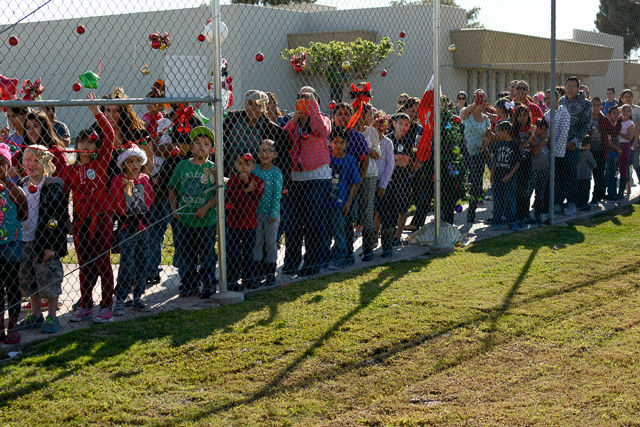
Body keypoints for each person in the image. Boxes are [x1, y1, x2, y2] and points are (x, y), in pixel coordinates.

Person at [64, 94, 115, 324]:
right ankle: (85, 303)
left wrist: (97, 112)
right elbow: (64, 197)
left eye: (90, 142)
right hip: (81, 222)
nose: (85, 145)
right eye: (81, 141)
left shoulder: (101, 163)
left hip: (101, 219)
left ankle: (107, 305)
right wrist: (68, 221)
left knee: (103, 262)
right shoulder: (70, 171)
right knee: (85, 264)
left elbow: (110, 136)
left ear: (96, 147)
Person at [16, 145, 68, 334]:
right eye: (28, 160)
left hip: (44, 243)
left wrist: (52, 246)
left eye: (36, 160)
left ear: (46, 163)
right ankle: (36, 315)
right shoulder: (20, 186)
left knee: (48, 279)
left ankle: (52, 317)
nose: (31, 164)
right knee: (27, 279)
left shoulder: (52, 187)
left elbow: (57, 219)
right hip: (24, 241)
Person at [282, 86, 331, 276]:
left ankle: (312, 263)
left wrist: (314, 107)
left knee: (313, 222)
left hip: (318, 176)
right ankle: (291, 262)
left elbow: (321, 131)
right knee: (293, 223)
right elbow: (282, 139)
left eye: (308, 97)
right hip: (296, 178)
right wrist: (294, 121)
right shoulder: (292, 121)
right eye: (300, 96)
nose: (304, 99)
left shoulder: (323, 118)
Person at [168, 126, 219, 299]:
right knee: (186, 255)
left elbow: (218, 193)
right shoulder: (182, 166)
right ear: (191, 147)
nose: (201, 147)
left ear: (211, 149)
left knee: (206, 254)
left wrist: (205, 207)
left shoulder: (213, 168)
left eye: (205, 144)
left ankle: (209, 284)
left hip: (206, 221)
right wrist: (174, 209)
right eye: (197, 143)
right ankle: (189, 284)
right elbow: (172, 189)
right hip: (185, 221)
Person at [110, 144, 154, 315]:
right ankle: (120, 298)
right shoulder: (118, 180)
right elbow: (116, 201)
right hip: (127, 226)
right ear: (123, 164)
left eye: (137, 161)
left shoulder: (144, 179)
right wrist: (126, 215)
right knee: (127, 263)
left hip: (143, 226)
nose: (134, 165)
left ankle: (138, 296)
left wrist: (144, 215)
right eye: (130, 161)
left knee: (142, 260)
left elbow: (149, 198)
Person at [331, 101, 369, 264]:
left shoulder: (357, 137)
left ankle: (347, 253)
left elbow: (365, 160)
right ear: (333, 117)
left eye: (347, 114)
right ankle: (333, 251)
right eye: (339, 114)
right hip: (331, 187)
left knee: (347, 221)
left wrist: (358, 180)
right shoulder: (330, 135)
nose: (343, 117)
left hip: (350, 185)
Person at [0, 143, 27, 344]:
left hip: (12, 244)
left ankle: (13, 324)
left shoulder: (13, 189)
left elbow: (23, 210)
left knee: (12, 285)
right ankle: (0, 325)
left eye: (2, 163)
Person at [225, 153, 264, 290]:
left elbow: (258, 194)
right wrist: (246, 189)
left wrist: (247, 182)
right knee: (233, 253)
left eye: (248, 164)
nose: (244, 167)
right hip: (234, 223)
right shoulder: (232, 181)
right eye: (241, 163)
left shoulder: (257, 180)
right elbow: (232, 198)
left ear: (253, 166)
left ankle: (248, 278)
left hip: (250, 223)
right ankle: (232, 281)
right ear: (235, 165)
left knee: (248, 252)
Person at [327, 127, 361, 268]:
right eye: (336, 142)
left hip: (340, 202)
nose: (338, 145)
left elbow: (355, 182)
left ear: (347, 144)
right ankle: (327, 256)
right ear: (330, 143)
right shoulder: (327, 157)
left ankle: (340, 257)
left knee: (340, 231)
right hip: (325, 201)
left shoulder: (349, 160)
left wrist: (349, 201)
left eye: (342, 143)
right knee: (326, 231)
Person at [558, 76, 592, 215]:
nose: (570, 89)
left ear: (578, 88)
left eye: (573, 86)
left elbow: (586, 125)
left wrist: (575, 141)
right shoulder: (561, 101)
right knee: (559, 174)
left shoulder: (586, 104)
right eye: (568, 86)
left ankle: (572, 202)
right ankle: (558, 202)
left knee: (572, 173)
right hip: (560, 143)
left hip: (574, 144)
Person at [380, 113, 412, 254]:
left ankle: (397, 236)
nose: (402, 127)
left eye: (406, 124)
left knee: (402, 209)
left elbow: (405, 162)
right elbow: (386, 161)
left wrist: (394, 159)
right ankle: (377, 235)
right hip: (388, 179)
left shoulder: (408, 140)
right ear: (394, 124)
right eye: (400, 123)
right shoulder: (388, 139)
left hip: (403, 179)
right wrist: (396, 159)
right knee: (384, 209)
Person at [252, 140, 282, 287]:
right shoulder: (255, 170)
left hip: (271, 214)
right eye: (261, 150)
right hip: (256, 214)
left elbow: (277, 194)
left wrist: (273, 213)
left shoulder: (276, 172)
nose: (264, 153)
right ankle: (257, 273)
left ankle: (270, 273)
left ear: (275, 154)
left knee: (270, 242)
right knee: (257, 242)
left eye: (268, 150)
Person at [459, 89, 491, 223]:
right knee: (467, 181)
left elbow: (488, 133)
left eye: (484, 101)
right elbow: (462, 114)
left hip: (479, 154)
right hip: (466, 153)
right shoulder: (467, 114)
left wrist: (485, 144)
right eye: (480, 101)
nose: (482, 104)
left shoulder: (486, 118)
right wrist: (474, 103)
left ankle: (471, 213)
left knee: (476, 183)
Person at [358, 105, 382, 262]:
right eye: (369, 114)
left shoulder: (372, 132)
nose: (372, 117)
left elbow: (377, 154)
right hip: (352, 173)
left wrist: (363, 148)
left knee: (368, 210)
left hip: (369, 174)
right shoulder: (350, 129)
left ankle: (367, 247)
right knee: (356, 211)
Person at [491, 121, 521, 230]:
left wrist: (509, 176)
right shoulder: (498, 143)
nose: (497, 134)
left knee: (510, 200)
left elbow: (517, 163)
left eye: (498, 131)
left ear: (505, 132)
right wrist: (492, 174)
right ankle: (496, 221)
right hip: (498, 176)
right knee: (497, 201)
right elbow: (494, 160)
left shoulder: (513, 145)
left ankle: (512, 222)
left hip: (509, 178)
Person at [544, 87, 570, 215]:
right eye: (546, 99)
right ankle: (549, 203)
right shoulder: (547, 114)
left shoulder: (563, 111)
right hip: (548, 153)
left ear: (557, 98)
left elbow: (563, 133)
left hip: (558, 153)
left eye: (550, 98)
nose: (548, 101)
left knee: (559, 179)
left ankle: (558, 203)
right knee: (550, 180)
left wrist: (553, 150)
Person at [22, 111, 67, 177]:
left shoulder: (55, 151)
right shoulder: (23, 151)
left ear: (44, 128)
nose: (31, 131)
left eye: (35, 126)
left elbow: (64, 177)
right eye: (27, 128)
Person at [373, 111, 395, 247]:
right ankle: (371, 239)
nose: (379, 128)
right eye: (377, 124)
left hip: (382, 182)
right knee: (370, 213)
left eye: (382, 124)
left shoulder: (387, 143)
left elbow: (390, 164)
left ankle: (387, 244)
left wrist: (383, 184)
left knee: (384, 213)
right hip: (370, 181)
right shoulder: (368, 141)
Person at [512, 104, 533, 224]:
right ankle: (519, 214)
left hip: (528, 160)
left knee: (526, 188)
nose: (522, 118)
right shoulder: (514, 130)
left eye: (525, 115)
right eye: (519, 115)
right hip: (518, 161)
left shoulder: (530, 129)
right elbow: (519, 147)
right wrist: (528, 139)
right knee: (518, 188)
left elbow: (533, 145)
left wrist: (531, 138)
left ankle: (526, 213)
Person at [617, 89, 640, 194]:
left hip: (633, 138)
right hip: (621, 142)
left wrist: (635, 142)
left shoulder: (637, 109)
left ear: (632, 97)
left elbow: (638, 127)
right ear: (622, 98)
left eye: (629, 96)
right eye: (625, 97)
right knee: (624, 165)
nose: (627, 99)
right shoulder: (619, 110)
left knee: (635, 163)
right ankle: (628, 187)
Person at [528, 118, 550, 223]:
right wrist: (542, 140)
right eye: (541, 129)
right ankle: (526, 214)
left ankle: (538, 214)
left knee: (540, 193)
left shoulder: (545, 138)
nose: (543, 132)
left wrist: (545, 139)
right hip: (534, 168)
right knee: (529, 191)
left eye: (545, 129)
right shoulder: (534, 138)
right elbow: (536, 151)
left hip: (544, 168)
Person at [588, 97, 607, 205]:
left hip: (600, 150)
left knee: (598, 174)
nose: (595, 107)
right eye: (593, 105)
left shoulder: (603, 119)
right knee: (586, 175)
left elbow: (612, 130)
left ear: (601, 107)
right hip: (589, 150)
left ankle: (596, 196)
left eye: (598, 105)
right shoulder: (587, 118)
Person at [0, 107, 30, 172]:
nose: (11, 120)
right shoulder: (9, 138)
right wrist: (2, 142)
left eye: (14, 116)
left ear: (25, 116)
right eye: (8, 116)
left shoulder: (29, 138)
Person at [603, 106, 622, 200]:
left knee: (610, 173)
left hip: (614, 152)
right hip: (609, 152)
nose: (616, 115)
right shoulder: (607, 124)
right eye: (613, 113)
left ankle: (604, 192)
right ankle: (611, 194)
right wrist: (618, 149)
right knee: (611, 173)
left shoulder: (617, 124)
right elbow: (609, 141)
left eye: (617, 113)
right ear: (608, 115)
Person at [617, 104, 636, 199]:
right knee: (615, 168)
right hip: (615, 145)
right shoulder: (618, 120)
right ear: (621, 111)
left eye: (629, 111)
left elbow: (629, 137)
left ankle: (621, 192)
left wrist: (619, 133)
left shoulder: (630, 123)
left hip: (625, 146)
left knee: (623, 168)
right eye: (624, 110)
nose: (626, 113)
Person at [576, 137, 597, 211]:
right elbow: (593, 164)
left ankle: (578, 203)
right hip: (586, 176)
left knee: (579, 190)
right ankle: (584, 204)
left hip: (578, 176)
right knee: (585, 190)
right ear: (588, 145)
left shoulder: (577, 152)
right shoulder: (588, 153)